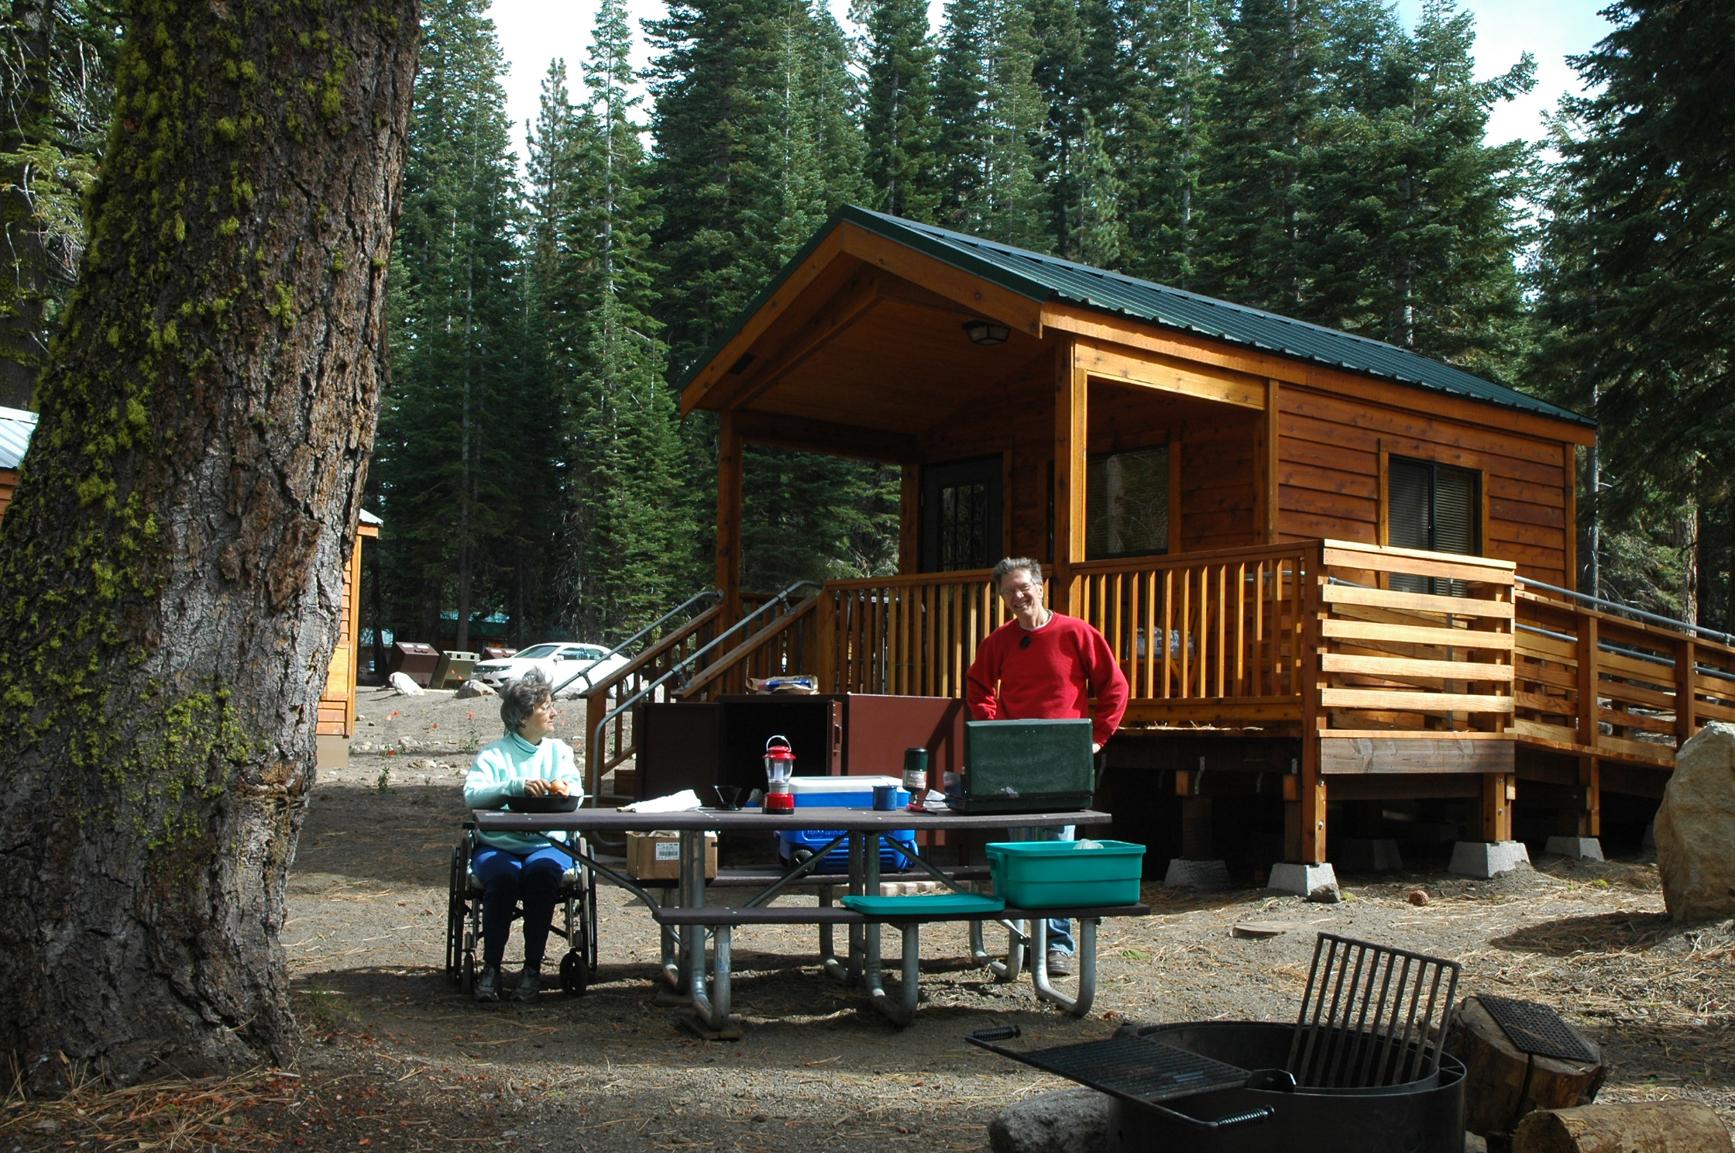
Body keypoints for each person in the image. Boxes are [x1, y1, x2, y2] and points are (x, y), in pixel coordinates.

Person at [965, 557, 1129, 980]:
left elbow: (1114, 686)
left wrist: (1096, 739)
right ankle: (1018, 942)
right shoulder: (999, 641)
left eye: (1023, 588)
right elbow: (979, 687)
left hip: (1063, 758)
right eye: (1008, 592)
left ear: (1039, 587)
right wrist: (993, 730)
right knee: (1018, 849)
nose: (1017, 597)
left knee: (1056, 848)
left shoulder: (1076, 633)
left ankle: (1057, 945)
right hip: (1013, 759)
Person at [462, 670, 585, 1003]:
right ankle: (491, 967)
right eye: (546, 707)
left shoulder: (558, 752)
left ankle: (532, 969)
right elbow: (473, 796)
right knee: (502, 877)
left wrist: (558, 791)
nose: (554, 713)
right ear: (522, 717)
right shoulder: (494, 755)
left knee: (542, 874)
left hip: (548, 844)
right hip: (498, 845)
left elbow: (576, 791)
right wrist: (513, 787)